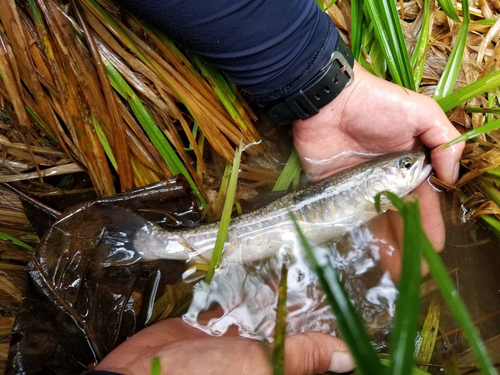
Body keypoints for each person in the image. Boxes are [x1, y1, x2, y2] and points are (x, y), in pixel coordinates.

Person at [88, 0, 465, 373]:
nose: (416, 164)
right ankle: (152, 243)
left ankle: (152, 243)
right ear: (376, 183)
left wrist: (326, 86)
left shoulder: (378, 200)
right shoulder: (376, 203)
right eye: (405, 164)